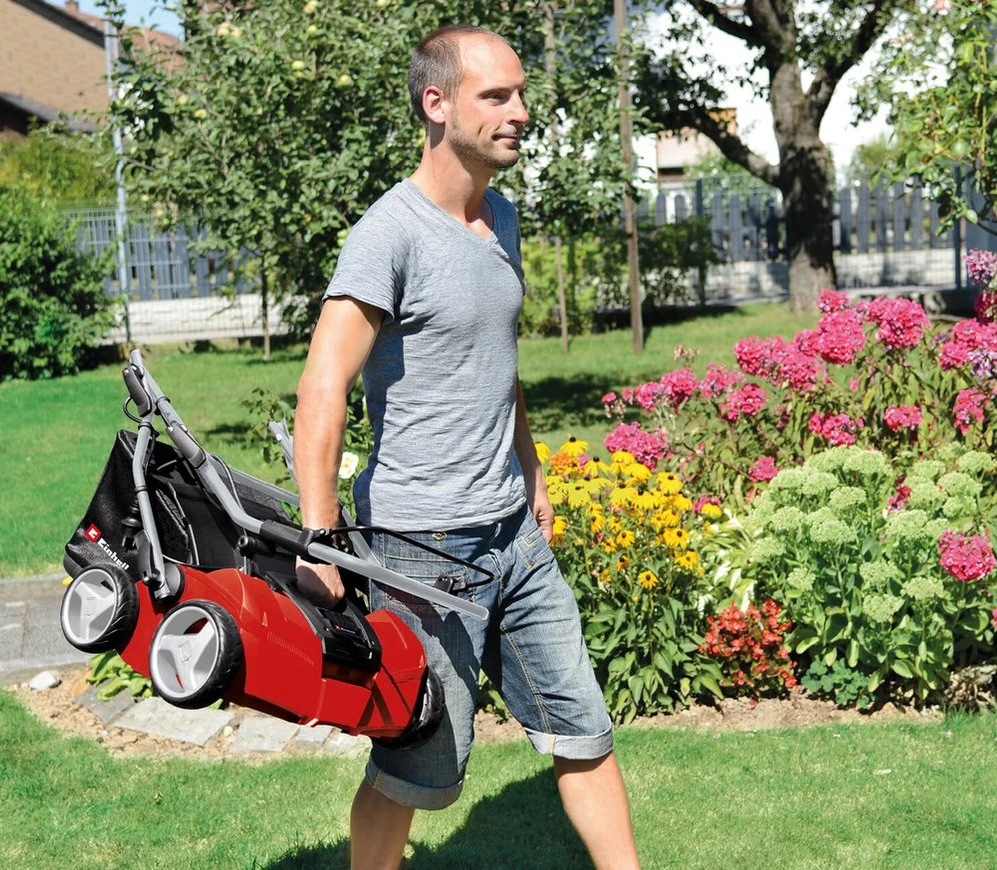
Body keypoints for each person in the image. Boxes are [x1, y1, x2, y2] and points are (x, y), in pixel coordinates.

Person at [292, 24, 641, 870]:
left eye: (521, 94)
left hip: (512, 531)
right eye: (497, 96)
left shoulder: (501, 219)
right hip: (424, 548)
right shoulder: (391, 233)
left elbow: (496, 361)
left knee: (583, 727)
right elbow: (323, 386)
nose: (520, 112)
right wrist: (319, 535)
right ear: (437, 103)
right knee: (417, 767)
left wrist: (531, 468)